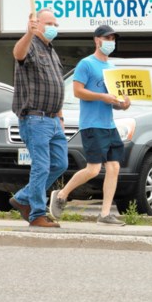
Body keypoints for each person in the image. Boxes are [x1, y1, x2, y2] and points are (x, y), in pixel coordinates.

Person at [49, 25, 131, 225]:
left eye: (113, 38)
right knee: (93, 169)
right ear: (97, 40)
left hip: (109, 124)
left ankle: (104, 214)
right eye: (107, 38)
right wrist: (101, 96)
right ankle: (61, 195)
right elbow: (78, 91)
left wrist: (123, 103)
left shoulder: (112, 69)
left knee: (114, 167)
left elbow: (116, 101)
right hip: (91, 125)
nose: (111, 41)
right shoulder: (86, 64)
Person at [9, 8, 67, 228]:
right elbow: (18, 54)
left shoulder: (51, 50)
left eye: (56, 25)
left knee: (60, 163)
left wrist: (60, 117)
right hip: (35, 118)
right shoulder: (30, 45)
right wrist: (28, 33)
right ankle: (36, 214)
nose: (53, 28)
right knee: (41, 166)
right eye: (49, 24)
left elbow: (56, 85)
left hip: (53, 120)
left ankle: (23, 198)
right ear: (36, 23)